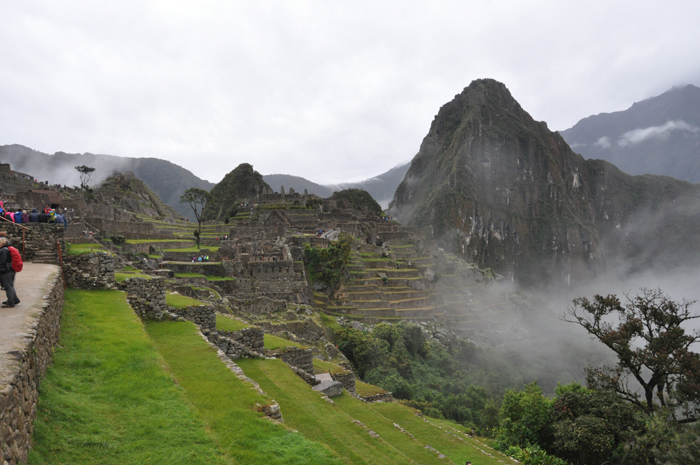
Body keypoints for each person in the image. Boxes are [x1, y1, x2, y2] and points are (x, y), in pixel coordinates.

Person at [0, 237, 19, 308]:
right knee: (10, 285)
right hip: (10, 270)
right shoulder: (7, 249)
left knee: (8, 287)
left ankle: (10, 302)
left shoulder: (4, 251)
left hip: (6, 271)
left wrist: (1, 270)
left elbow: (2, 262)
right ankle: (15, 299)